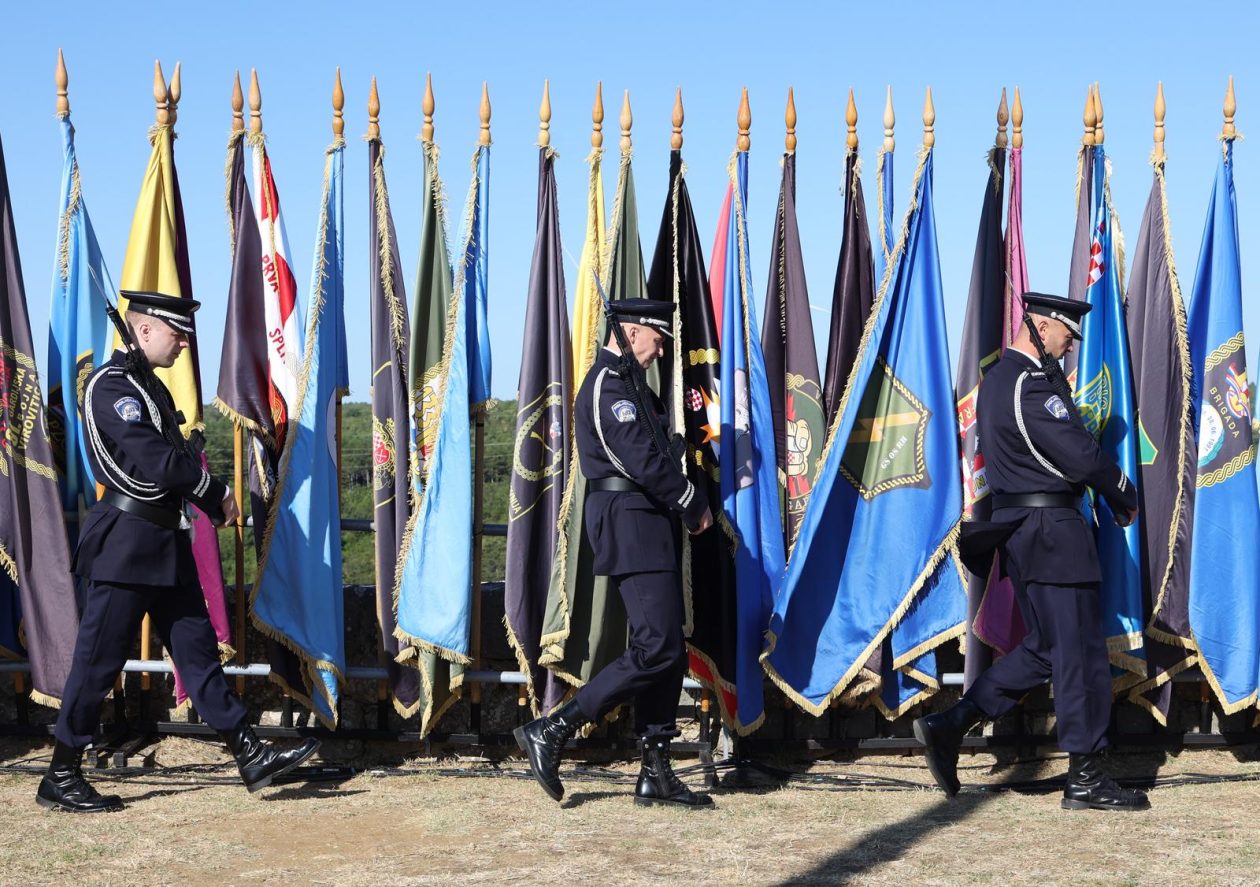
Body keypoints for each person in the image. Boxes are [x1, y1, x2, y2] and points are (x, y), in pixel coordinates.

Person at [37, 290, 319, 813]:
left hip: (165, 542)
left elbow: (175, 456)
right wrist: (215, 493)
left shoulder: (150, 388)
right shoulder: (111, 386)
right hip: (124, 546)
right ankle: (61, 773)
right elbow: (155, 462)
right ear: (142, 331)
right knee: (97, 665)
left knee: (199, 655)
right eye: (176, 331)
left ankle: (249, 752)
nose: (184, 342)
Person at [914, 292, 1149, 812]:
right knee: (1081, 651)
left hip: (1027, 529)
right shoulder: (1028, 384)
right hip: (1052, 533)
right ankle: (1086, 778)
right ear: (1041, 328)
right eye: (1065, 340)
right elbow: (1078, 453)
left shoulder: (998, 380)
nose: (1067, 353)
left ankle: (952, 723)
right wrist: (1122, 492)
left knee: (1045, 646)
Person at [515, 299, 715, 809]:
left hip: (650, 522)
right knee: (657, 647)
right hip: (631, 523)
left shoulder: (634, 387)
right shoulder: (608, 386)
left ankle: (656, 770)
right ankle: (554, 729)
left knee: (667, 646)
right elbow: (639, 457)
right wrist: (690, 500)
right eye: (658, 335)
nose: (664, 346)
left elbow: (661, 448)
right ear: (629, 331)